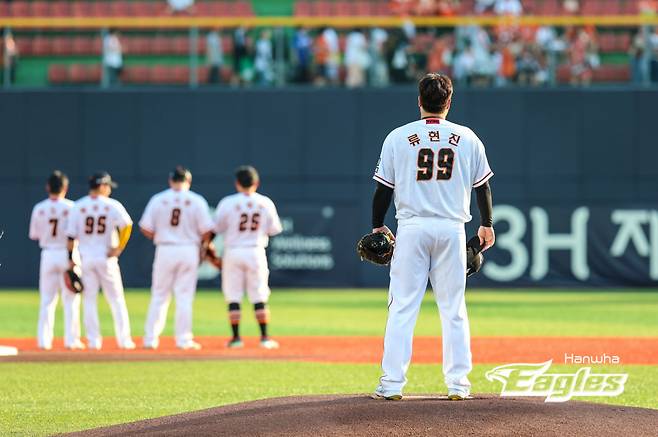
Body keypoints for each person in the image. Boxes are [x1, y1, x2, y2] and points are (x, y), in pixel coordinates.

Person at [370, 73, 495, 401]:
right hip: (452, 229)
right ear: (449, 102)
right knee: (453, 309)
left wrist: (376, 225)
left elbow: (384, 188)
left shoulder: (399, 137)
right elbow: (482, 185)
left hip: (412, 228)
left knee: (402, 308)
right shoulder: (467, 137)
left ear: (419, 101)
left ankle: (392, 385)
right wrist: (487, 224)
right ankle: (458, 386)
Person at [139, 167, 215, 350]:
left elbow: (145, 228)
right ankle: (183, 340)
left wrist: (162, 235)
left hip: (165, 248)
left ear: (170, 181)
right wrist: (205, 247)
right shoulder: (196, 200)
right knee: (184, 296)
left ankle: (150, 339)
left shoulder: (159, 199)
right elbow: (207, 231)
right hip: (188, 249)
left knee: (159, 295)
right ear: (188, 181)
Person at [213, 166, 283, 349]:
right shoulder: (265, 202)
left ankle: (236, 339)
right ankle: (265, 338)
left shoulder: (227, 202)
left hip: (233, 251)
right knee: (259, 294)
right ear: (256, 183)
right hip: (255, 250)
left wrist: (207, 247)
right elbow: (274, 229)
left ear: (237, 183)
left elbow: (216, 228)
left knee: (233, 295)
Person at [66, 171, 135, 350]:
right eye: (108, 186)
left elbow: (71, 237)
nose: (109, 189)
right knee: (117, 299)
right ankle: (124, 340)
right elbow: (127, 225)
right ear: (103, 186)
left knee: (89, 299)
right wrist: (119, 247)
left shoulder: (78, 206)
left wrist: (70, 260)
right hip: (106, 258)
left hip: (86, 258)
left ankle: (94, 341)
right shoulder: (112, 205)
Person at [29, 171, 84, 350]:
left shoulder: (39, 208)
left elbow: (34, 235)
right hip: (68, 253)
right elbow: (76, 234)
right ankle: (71, 340)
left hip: (48, 253)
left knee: (47, 300)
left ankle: (44, 341)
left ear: (47, 187)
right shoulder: (73, 207)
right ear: (65, 188)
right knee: (71, 299)